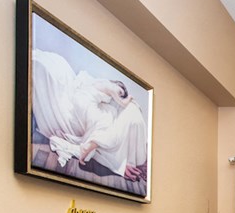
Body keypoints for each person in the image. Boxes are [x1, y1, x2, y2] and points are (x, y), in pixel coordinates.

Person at [31, 49, 148, 182]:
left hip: (82, 100)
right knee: (104, 122)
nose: (120, 94)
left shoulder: (98, 84)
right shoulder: (113, 88)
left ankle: (89, 144)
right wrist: (129, 98)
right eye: (121, 91)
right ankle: (89, 145)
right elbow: (122, 102)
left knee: (104, 119)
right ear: (117, 85)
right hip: (85, 103)